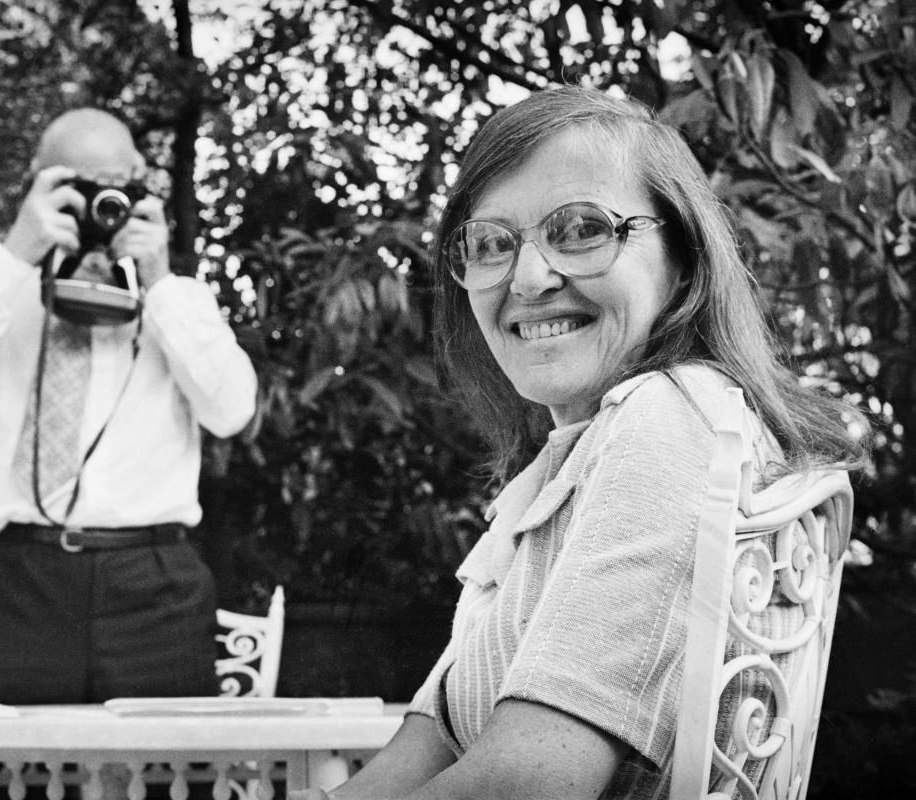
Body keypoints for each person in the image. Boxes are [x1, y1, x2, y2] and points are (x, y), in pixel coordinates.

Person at [291, 86, 868, 799]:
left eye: (582, 230)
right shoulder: (579, 461)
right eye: (492, 244)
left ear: (683, 256)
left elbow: (532, 781)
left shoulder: (665, 418)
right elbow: (429, 741)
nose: (528, 279)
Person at [0, 108, 257, 704]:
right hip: (25, 579)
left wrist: (160, 282)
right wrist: (17, 251)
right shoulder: (5, 294)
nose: (97, 209)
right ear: (38, 185)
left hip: (154, 581)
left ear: (140, 184)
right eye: (76, 188)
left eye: (112, 187)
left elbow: (232, 411)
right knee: (17, 777)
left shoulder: (180, 300)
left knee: (165, 775)